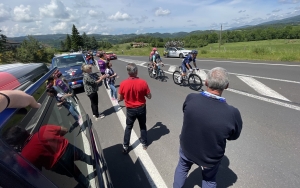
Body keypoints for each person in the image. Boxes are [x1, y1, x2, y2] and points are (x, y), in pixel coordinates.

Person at [173, 67, 243, 188]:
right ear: (226, 86)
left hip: (187, 148)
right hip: (210, 156)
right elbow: (234, 136)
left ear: (206, 82)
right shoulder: (232, 113)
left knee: (182, 168)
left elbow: (185, 112)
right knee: (209, 179)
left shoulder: (191, 98)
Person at [4, 125, 93, 187]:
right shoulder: (43, 130)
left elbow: (36, 172)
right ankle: (95, 162)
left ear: (15, 145)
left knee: (76, 174)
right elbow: (65, 130)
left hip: (58, 165)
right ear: (24, 130)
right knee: (84, 157)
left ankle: (87, 184)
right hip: (68, 149)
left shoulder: (23, 157)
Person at [118, 63, 152, 154]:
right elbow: (149, 96)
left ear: (128, 72)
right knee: (142, 125)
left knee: (128, 127)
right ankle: (144, 143)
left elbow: (120, 98)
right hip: (141, 108)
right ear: (136, 71)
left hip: (130, 109)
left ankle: (125, 146)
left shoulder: (123, 83)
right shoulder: (143, 82)